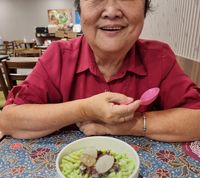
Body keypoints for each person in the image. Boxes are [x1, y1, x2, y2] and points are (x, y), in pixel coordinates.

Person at [0, 0, 200, 142]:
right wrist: (84, 109)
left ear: (145, 7)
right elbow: (9, 120)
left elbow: (196, 120)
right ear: (80, 8)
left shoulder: (160, 57)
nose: (111, 11)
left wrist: (129, 125)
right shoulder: (57, 56)